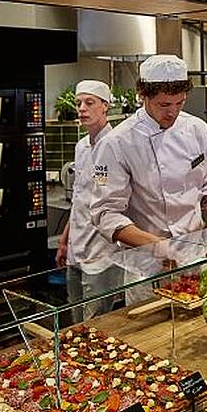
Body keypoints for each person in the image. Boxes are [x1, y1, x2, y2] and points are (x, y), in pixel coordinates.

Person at [91, 55, 207, 276]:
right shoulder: (117, 142)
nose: (172, 112)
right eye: (164, 105)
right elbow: (106, 213)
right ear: (143, 96)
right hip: (147, 266)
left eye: (179, 103)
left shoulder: (196, 128)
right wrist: (157, 245)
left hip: (194, 255)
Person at [54, 81, 124, 318]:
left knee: (96, 322)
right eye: (78, 103)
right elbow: (80, 200)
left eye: (89, 103)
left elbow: (117, 204)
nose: (82, 108)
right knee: (75, 318)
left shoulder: (116, 145)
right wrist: (64, 241)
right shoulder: (81, 146)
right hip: (76, 247)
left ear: (105, 106)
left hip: (102, 251)